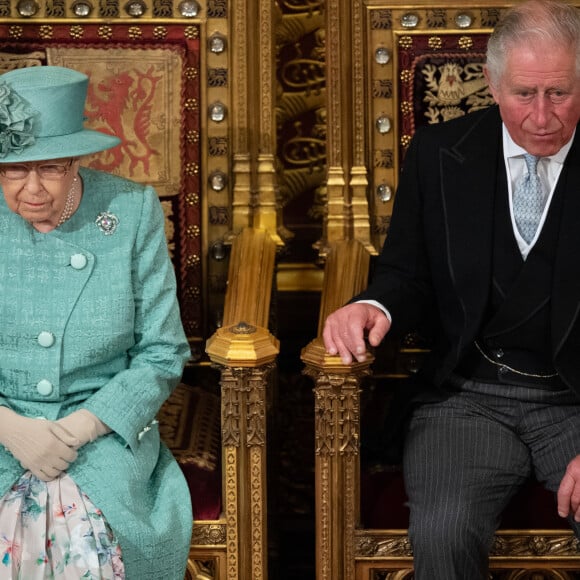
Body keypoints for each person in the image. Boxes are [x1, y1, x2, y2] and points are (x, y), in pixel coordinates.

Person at [323, 0, 580, 577]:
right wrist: (371, 304)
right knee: (443, 530)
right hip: (466, 399)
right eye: (524, 94)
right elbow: (406, 273)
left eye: (559, 93)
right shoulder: (440, 155)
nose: (542, 116)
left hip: (575, 402)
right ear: (491, 83)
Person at [0, 65, 192, 578]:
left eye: (53, 168)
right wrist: (11, 428)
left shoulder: (129, 210)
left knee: (77, 533)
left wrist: (78, 429)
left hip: (100, 431)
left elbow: (162, 350)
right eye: (16, 170)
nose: (33, 188)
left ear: (78, 160)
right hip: (3, 425)